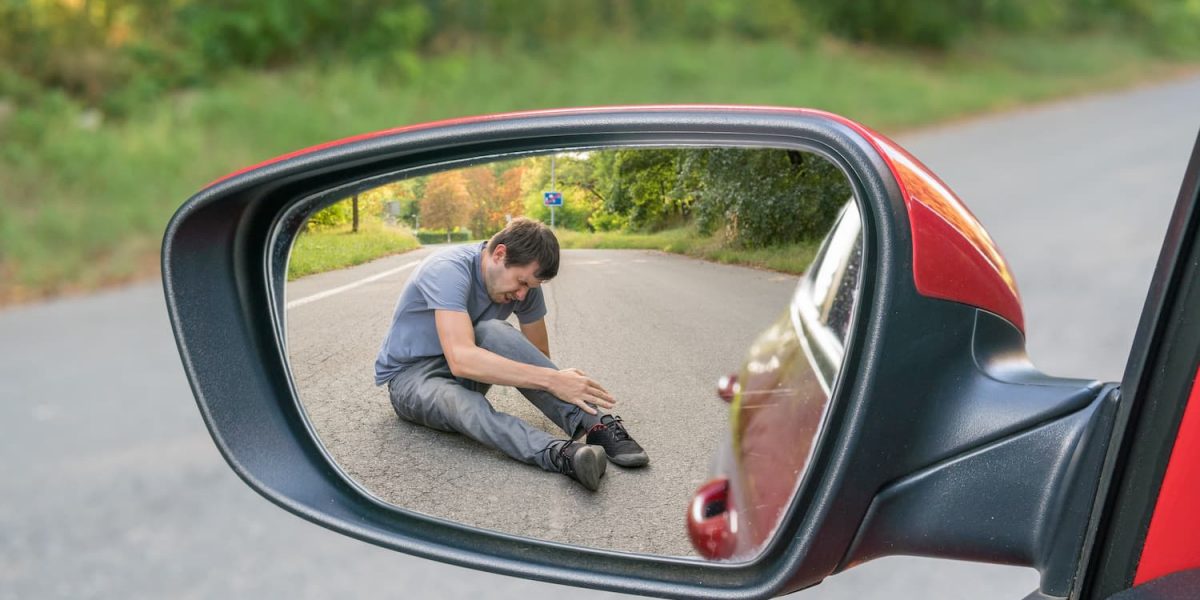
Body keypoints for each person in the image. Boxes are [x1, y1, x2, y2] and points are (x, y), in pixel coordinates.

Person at [374, 218, 649, 491]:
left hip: (465, 369)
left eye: (529, 286)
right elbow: (460, 359)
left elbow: (536, 354)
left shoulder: (525, 288)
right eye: (520, 282)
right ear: (499, 253)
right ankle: (561, 454)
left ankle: (595, 424)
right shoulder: (447, 269)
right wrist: (552, 379)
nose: (521, 294)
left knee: (492, 330)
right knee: (463, 403)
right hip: (411, 378)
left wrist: (555, 379)